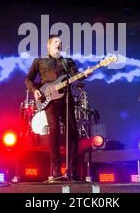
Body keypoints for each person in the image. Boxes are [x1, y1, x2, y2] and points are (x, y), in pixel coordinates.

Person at [25, 35, 92, 180]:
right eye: (56, 42)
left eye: (61, 43)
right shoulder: (39, 60)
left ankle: (72, 169)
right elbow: (28, 78)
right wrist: (35, 90)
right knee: (54, 131)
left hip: (66, 98)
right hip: (49, 99)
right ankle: (56, 168)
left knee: (72, 132)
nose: (59, 44)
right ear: (48, 46)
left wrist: (85, 74)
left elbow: (76, 76)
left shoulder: (67, 62)